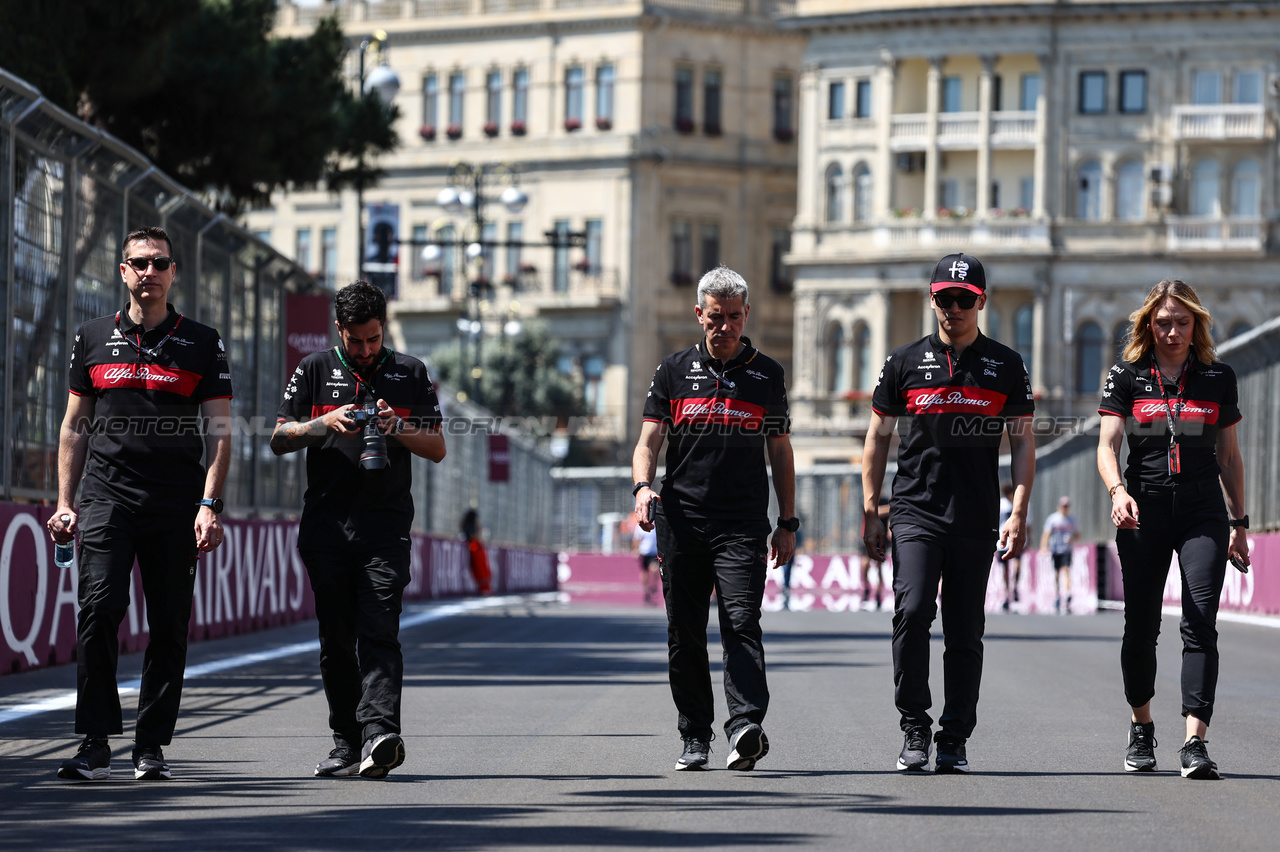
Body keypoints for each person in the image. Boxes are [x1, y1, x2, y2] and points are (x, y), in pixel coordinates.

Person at [47, 227, 232, 782]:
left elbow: (221, 431)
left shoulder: (203, 341)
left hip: (176, 501)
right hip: (106, 495)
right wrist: (64, 501)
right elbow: (75, 426)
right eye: (138, 263)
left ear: (174, 272)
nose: (148, 272)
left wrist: (211, 503)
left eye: (159, 263)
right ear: (122, 271)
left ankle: (150, 747)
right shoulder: (92, 336)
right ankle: (95, 740)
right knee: (99, 609)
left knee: (170, 624)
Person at [862, 252, 1036, 774]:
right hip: (914, 510)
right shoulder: (903, 362)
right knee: (912, 614)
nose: (953, 308)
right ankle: (914, 727)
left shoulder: (1007, 365)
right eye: (944, 298)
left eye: (964, 299)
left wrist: (1019, 511)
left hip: (976, 515)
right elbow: (877, 438)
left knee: (965, 632)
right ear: (932, 299)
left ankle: (954, 737)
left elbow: (1024, 443)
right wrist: (872, 508)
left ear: (981, 302)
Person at [270, 280, 446, 779]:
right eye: (356, 341)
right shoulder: (314, 368)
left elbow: (437, 448)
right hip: (325, 526)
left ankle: (380, 735)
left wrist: (396, 427)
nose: (365, 350)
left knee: (379, 630)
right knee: (335, 640)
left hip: (386, 528)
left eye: (373, 339)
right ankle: (346, 741)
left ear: (383, 329)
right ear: (338, 330)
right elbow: (279, 437)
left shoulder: (410, 372)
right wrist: (323, 422)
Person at [631, 265, 795, 772]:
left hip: (743, 523)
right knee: (685, 631)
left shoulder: (767, 374)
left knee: (741, 622)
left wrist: (787, 521)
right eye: (714, 318)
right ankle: (695, 735)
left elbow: (780, 451)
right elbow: (649, 440)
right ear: (698, 314)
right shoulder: (673, 370)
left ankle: (745, 725)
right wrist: (642, 486)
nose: (723, 327)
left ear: (747, 315)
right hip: (680, 521)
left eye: (733, 318)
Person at [1097, 278, 1248, 780]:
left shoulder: (1218, 376)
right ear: (1148, 325)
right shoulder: (1127, 375)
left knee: (1200, 620)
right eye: (1163, 323)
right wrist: (1118, 492)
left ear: (1196, 325)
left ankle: (1194, 742)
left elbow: (1228, 456)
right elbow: (1107, 446)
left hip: (1203, 512)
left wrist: (1239, 523)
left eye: (1182, 322)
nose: (1172, 332)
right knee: (1141, 626)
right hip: (1144, 510)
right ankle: (1142, 728)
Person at [1040, 496, 1079, 613]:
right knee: (1057, 573)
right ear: (1059, 506)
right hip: (1056, 549)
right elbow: (1046, 534)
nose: (1065, 508)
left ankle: (1067, 594)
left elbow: (1078, 534)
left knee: (1066, 570)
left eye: (1067, 506)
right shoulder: (1053, 519)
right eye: (1063, 506)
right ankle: (1057, 595)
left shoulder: (1072, 520)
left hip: (1066, 549)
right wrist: (1044, 547)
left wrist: (1072, 538)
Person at [997, 483, 1021, 611]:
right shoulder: (1001, 504)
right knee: (1005, 569)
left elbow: (1028, 522)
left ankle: (1015, 587)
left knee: (1018, 566)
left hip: (1016, 539)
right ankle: (1007, 593)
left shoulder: (1021, 502)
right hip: (1003, 541)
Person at [461, 508, 492, 595]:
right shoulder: (470, 526)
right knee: (480, 568)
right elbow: (473, 536)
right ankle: (483, 588)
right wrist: (479, 530)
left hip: (476, 547)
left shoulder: (467, 525)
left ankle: (484, 588)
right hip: (475, 548)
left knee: (482, 568)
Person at [634, 517, 660, 605]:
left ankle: (653, 586)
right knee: (644, 572)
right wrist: (636, 550)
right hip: (644, 552)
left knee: (654, 569)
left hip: (654, 552)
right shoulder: (641, 526)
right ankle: (646, 590)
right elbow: (637, 539)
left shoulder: (657, 526)